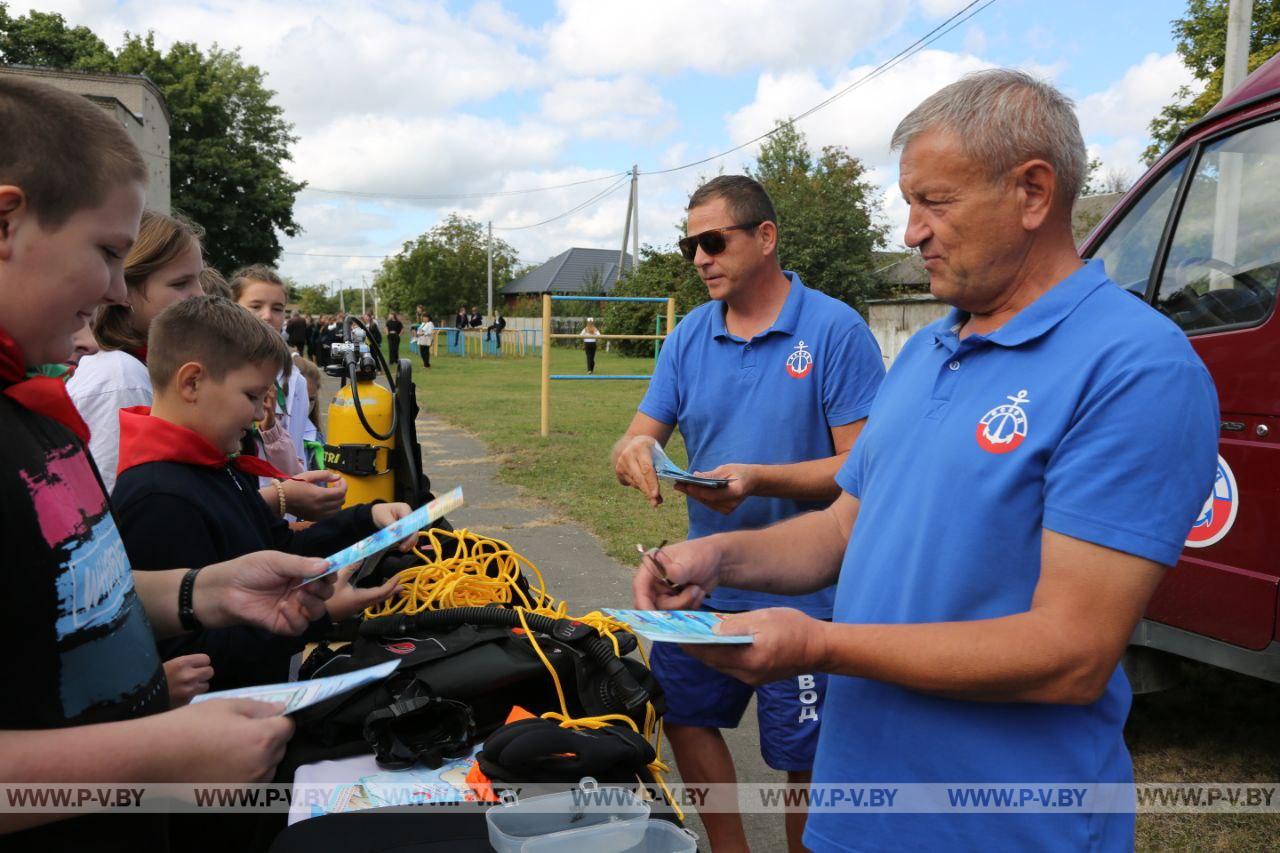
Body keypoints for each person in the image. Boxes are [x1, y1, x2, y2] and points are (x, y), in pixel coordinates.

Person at [633, 71, 1220, 853]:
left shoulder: (1136, 368)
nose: (911, 232)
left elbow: (1071, 652)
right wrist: (711, 554)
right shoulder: (928, 351)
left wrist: (819, 645)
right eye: (907, 204)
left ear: (1034, 192)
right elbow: (844, 527)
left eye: (933, 202)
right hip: (856, 809)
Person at [0, 71, 339, 851]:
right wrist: (164, 751)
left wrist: (209, 590)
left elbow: (68, 597)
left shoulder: (33, 417)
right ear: (8, 223)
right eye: (108, 251)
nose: (120, 287)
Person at [612, 174, 886, 852]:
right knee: (683, 716)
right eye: (690, 245)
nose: (700, 257)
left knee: (805, 754)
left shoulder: (833, 330)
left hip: (811, 594)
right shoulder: (688, 337)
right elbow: (637, 433)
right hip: (703, 586)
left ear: (765, 238)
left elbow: (863, 466)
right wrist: (638, 452)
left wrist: (759, 478)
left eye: (713, 240)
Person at [111, 295, 403, 690]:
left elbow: (279, 547)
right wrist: (322, 615)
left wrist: (367, 520)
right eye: (251, 396)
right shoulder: (159, 498)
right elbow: (197, 657)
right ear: (192, 382)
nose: (256, 415)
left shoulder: (215, 465)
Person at [67, 209, 204, 493]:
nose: (200, 294)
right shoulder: (122, 380)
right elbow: (114, 500)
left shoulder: (138, 368)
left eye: (198, 279)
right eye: (180, 283)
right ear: (123, 288)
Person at [230, 264, 322, 478]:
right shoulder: (212, 366)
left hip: (277, 497)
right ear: (232, 306)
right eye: (255, 306)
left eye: (278, 308)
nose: (267, 316)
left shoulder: (294, 380)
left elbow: (295, 453)